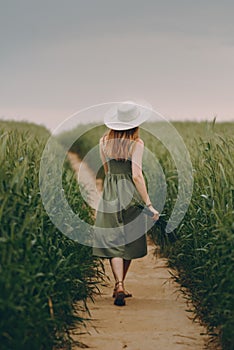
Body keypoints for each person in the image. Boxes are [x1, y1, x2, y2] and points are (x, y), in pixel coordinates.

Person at [92, 101, 160, 306]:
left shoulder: (103, 141)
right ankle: (121, 284)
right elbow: (137, 176)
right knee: (129, 239)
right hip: (129, 193)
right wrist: (148, 204)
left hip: (111, 193)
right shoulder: (137, 144)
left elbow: (106, 170)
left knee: (113, 239)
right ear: (135, 123)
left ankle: (119, 284)